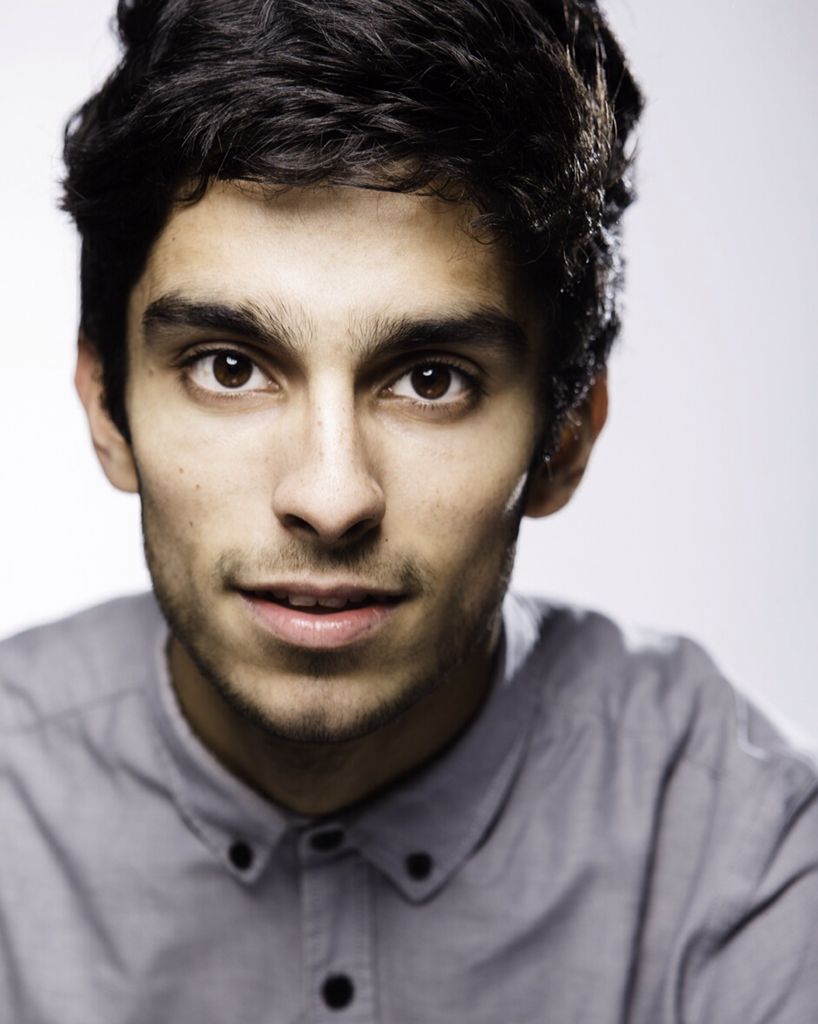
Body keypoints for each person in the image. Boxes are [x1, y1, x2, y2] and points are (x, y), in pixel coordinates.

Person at [1, 0, 816, 1020]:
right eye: (229, 367)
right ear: (106, 406)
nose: (330, 496)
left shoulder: (742, 848)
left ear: (565, 435)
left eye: (431, 379)